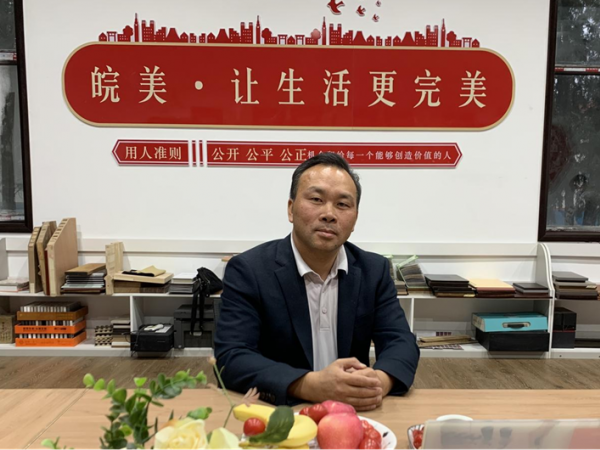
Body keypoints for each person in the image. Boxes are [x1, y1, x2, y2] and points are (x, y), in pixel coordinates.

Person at [214, 152, 419, 410]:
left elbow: (401, 341)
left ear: (355, 219)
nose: (329, 214)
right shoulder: (249, 270)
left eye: (342, 204)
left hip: (351, 413)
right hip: (280, 413)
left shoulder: (373, 270)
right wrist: (310, 385)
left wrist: (377, 383)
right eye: (316, 199)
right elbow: (232, 357)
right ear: (291, 209)